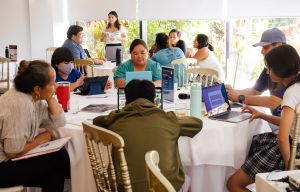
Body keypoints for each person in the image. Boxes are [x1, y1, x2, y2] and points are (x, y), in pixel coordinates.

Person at [93, 79, 202, 191]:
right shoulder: (169, 119)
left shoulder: (115, 120)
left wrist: (116, 113)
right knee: (187, 180)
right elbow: (198, 123)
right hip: (166, 187)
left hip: (124, 188)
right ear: (154, 101)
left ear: (126, 101)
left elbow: (96, 121)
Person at [227, 44, 300, 192]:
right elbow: (292, 124)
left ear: (279, 69)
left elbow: (282, 137)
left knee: (233, 184)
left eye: (268, 67)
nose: (267, 71)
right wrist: (261, 115)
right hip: (295, 143)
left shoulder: (291, 93)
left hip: (293, 149)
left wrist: (289, 166)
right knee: (257, 141)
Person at [0, 60, 70, 192]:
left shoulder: (34, 97)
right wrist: (43, 138)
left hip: (7, 162)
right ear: (37, 88)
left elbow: (59, 122)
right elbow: (12, 151)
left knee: (55, 169)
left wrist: (50, 97)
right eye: (52, 83)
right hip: (2, 165)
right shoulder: (20, 103)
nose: (56, 85)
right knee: (57, 159)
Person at [225, 28, 286, 116]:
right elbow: (255, 91)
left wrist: (239, 97)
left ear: (278, 45)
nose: (262, 51)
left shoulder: (290, 69)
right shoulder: (268, 68)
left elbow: (276, 102)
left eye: (265, 47)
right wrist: (231, 92)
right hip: (276, 122)